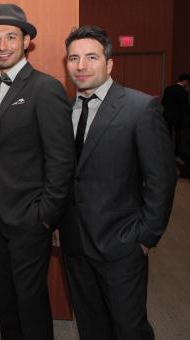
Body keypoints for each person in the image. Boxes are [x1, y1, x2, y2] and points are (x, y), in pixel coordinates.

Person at [60, 25, 177, 340]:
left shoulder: (141, 107)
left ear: (109, 64)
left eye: (91, 57)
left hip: (122, 244)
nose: (81, 66)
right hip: (75, 243)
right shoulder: (62, 111)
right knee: (91, 326)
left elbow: (161, 179)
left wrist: (146, 236)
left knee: (129, 329)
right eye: (74, 58)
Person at [0, 4, 75, 339]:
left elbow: (62, 160)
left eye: (10, 37)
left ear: (26, 41)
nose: (2, 45)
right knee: (5, 298)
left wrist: (46, 216)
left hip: (29, 217)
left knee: (30, 301)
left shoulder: (45, 88)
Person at [162, 73, 190, 161]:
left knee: (166, 136)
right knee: (178, 137)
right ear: (185, 81)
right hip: (178, 117)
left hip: (167, 115)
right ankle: (176, 155)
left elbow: (163, 102)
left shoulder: (168, 89)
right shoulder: (184, 92)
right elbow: (186, 107)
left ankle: (165, 154)